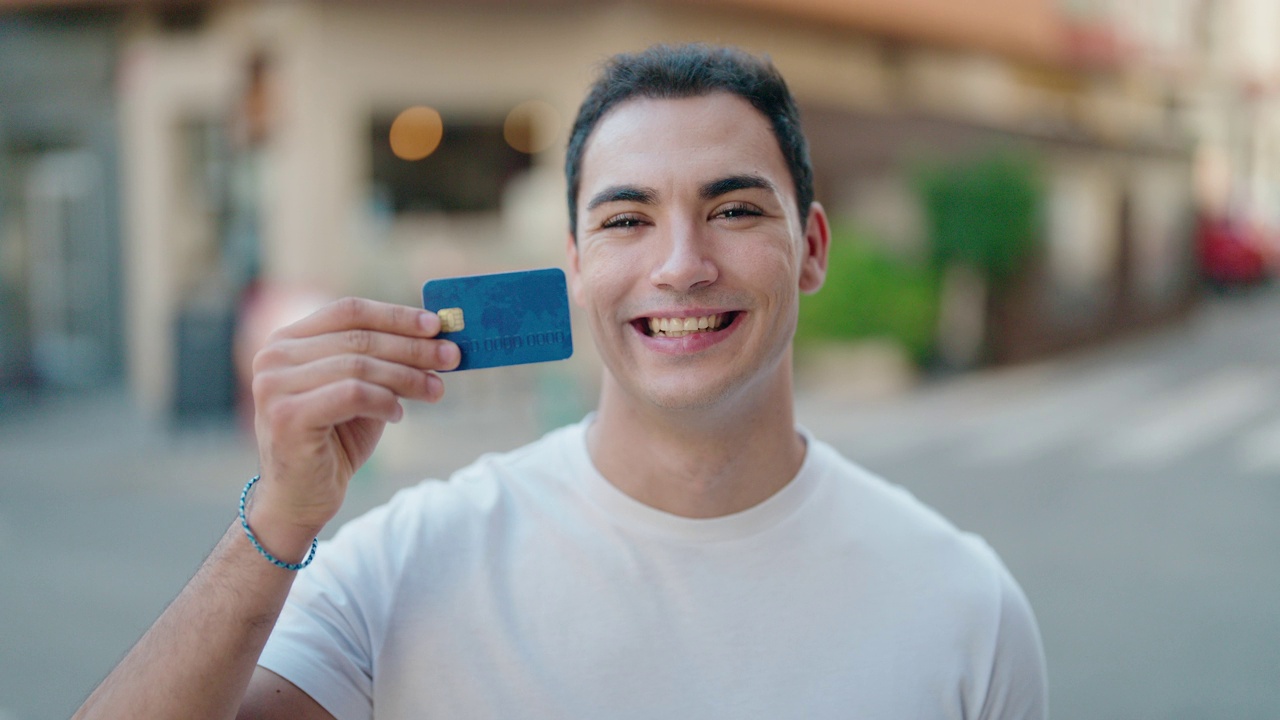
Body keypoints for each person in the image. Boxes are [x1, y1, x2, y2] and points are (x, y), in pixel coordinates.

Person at [75, 44, 1047, 719]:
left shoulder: (962, 604)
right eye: (626, 220)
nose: (680, 264)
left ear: (811, 248)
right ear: (574, 265)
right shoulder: (404, 565)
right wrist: (278, 521)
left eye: (734, 209)